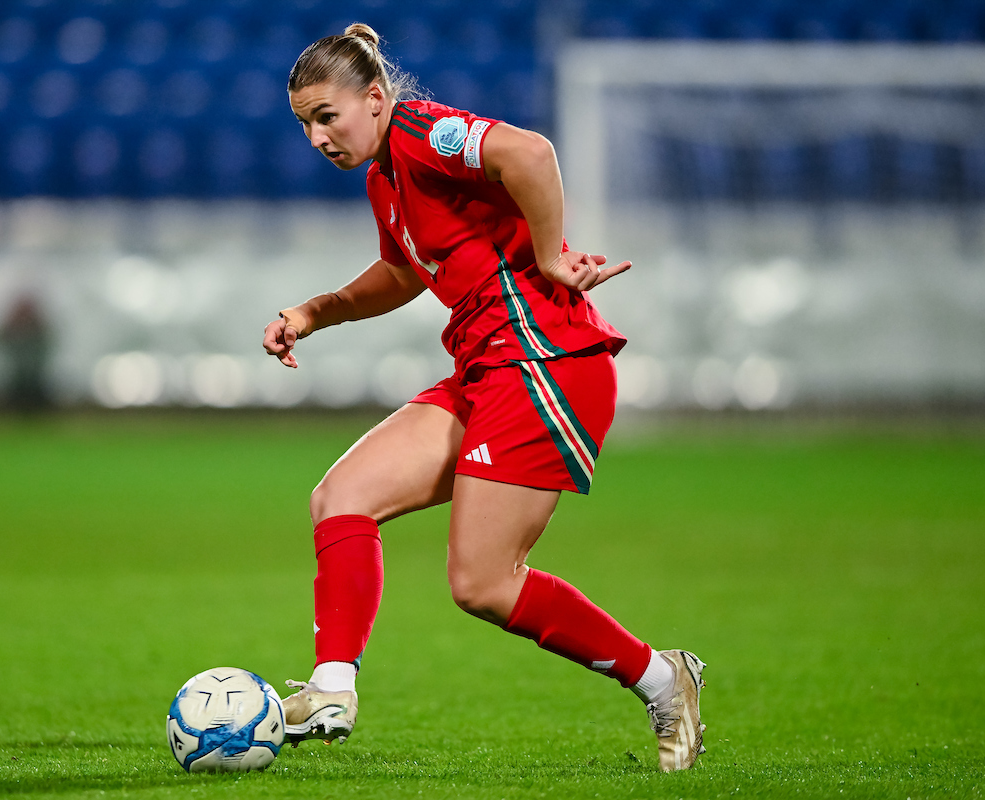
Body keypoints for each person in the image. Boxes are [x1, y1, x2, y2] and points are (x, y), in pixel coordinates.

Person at [262, 23, 706, 772]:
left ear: (374, 98)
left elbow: (529, 153)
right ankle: (332, 689)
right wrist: (315, 311)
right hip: (487, 367)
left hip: (545, 362)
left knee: (482, 583)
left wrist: (548, 255)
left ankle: (665, 680)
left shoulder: (420, 134)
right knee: (341, 497)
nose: (316, 138)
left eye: (326, 116)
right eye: (305, 124)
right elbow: (402, 273)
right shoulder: (384, 177)